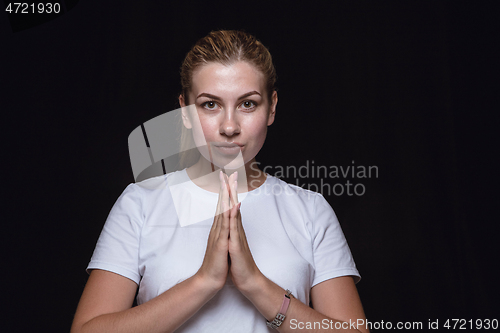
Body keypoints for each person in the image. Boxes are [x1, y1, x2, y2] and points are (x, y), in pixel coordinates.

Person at [71, 30, 369, 333]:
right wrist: (204, 281)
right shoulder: (141, 202)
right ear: (185, 111)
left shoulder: (310, 210)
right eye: (210, 105)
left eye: (248, 104)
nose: (229, 126)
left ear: (272, 107)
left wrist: (255, 284)